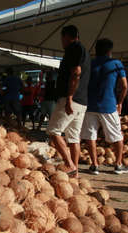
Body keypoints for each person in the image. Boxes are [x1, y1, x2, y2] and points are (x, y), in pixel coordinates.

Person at [46, 25, 91, 178]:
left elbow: (76, 72)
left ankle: (69, 164)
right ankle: (75, 171)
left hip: (71, 98)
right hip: (82, 101)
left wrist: (69, 97)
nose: (62, 42)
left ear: (66, 36)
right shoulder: (85, 51)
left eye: (62, 39)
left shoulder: (74, 48)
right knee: (73, 137)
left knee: (53, 131)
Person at [80, 38, 128, 175]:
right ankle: (118, 165)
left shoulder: (89, 63)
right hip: (108, 105)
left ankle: (95, 165)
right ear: (110, 51)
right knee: (117, 136)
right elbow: (124, 86)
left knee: (90, 136)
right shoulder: (116, 63)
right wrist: (120, 103)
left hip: (90, 106)